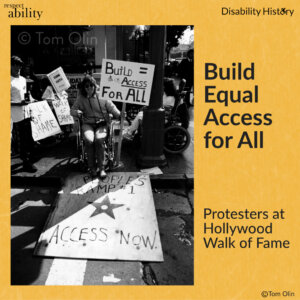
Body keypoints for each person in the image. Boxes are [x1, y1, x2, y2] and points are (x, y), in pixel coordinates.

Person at [71, 75, 120, 178]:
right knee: (89, 141)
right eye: (87, 86)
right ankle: (92, 168)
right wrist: (77, 112)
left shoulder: (102, 96)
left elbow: (112, 107)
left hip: (101, 123)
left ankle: (101, 168)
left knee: (99, 139)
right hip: (87, 123)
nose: (89, 88)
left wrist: (119, 115)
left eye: (91, 85)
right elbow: (72, 110)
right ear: (84, 88)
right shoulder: (81, 98)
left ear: (95, 85)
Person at [123, 78, 189, 140]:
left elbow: (157, 106)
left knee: (141, 115)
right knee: (141, 114)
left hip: (162, 117)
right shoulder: (170, 95)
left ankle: (129, 132)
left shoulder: (169, 98)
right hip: (162, 115)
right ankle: (131, 131)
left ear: (166, 87)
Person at [11, 56, 37, 172]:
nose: (18, 67)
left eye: (20, 65)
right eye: (15, 64)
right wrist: (18, 103)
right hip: (15, 116)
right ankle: (26, 162)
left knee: (29, 138)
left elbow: (26, 94)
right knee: (21, 140)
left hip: (26, 113)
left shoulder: (22, 79)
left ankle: (29, 159)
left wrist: (32, 99)